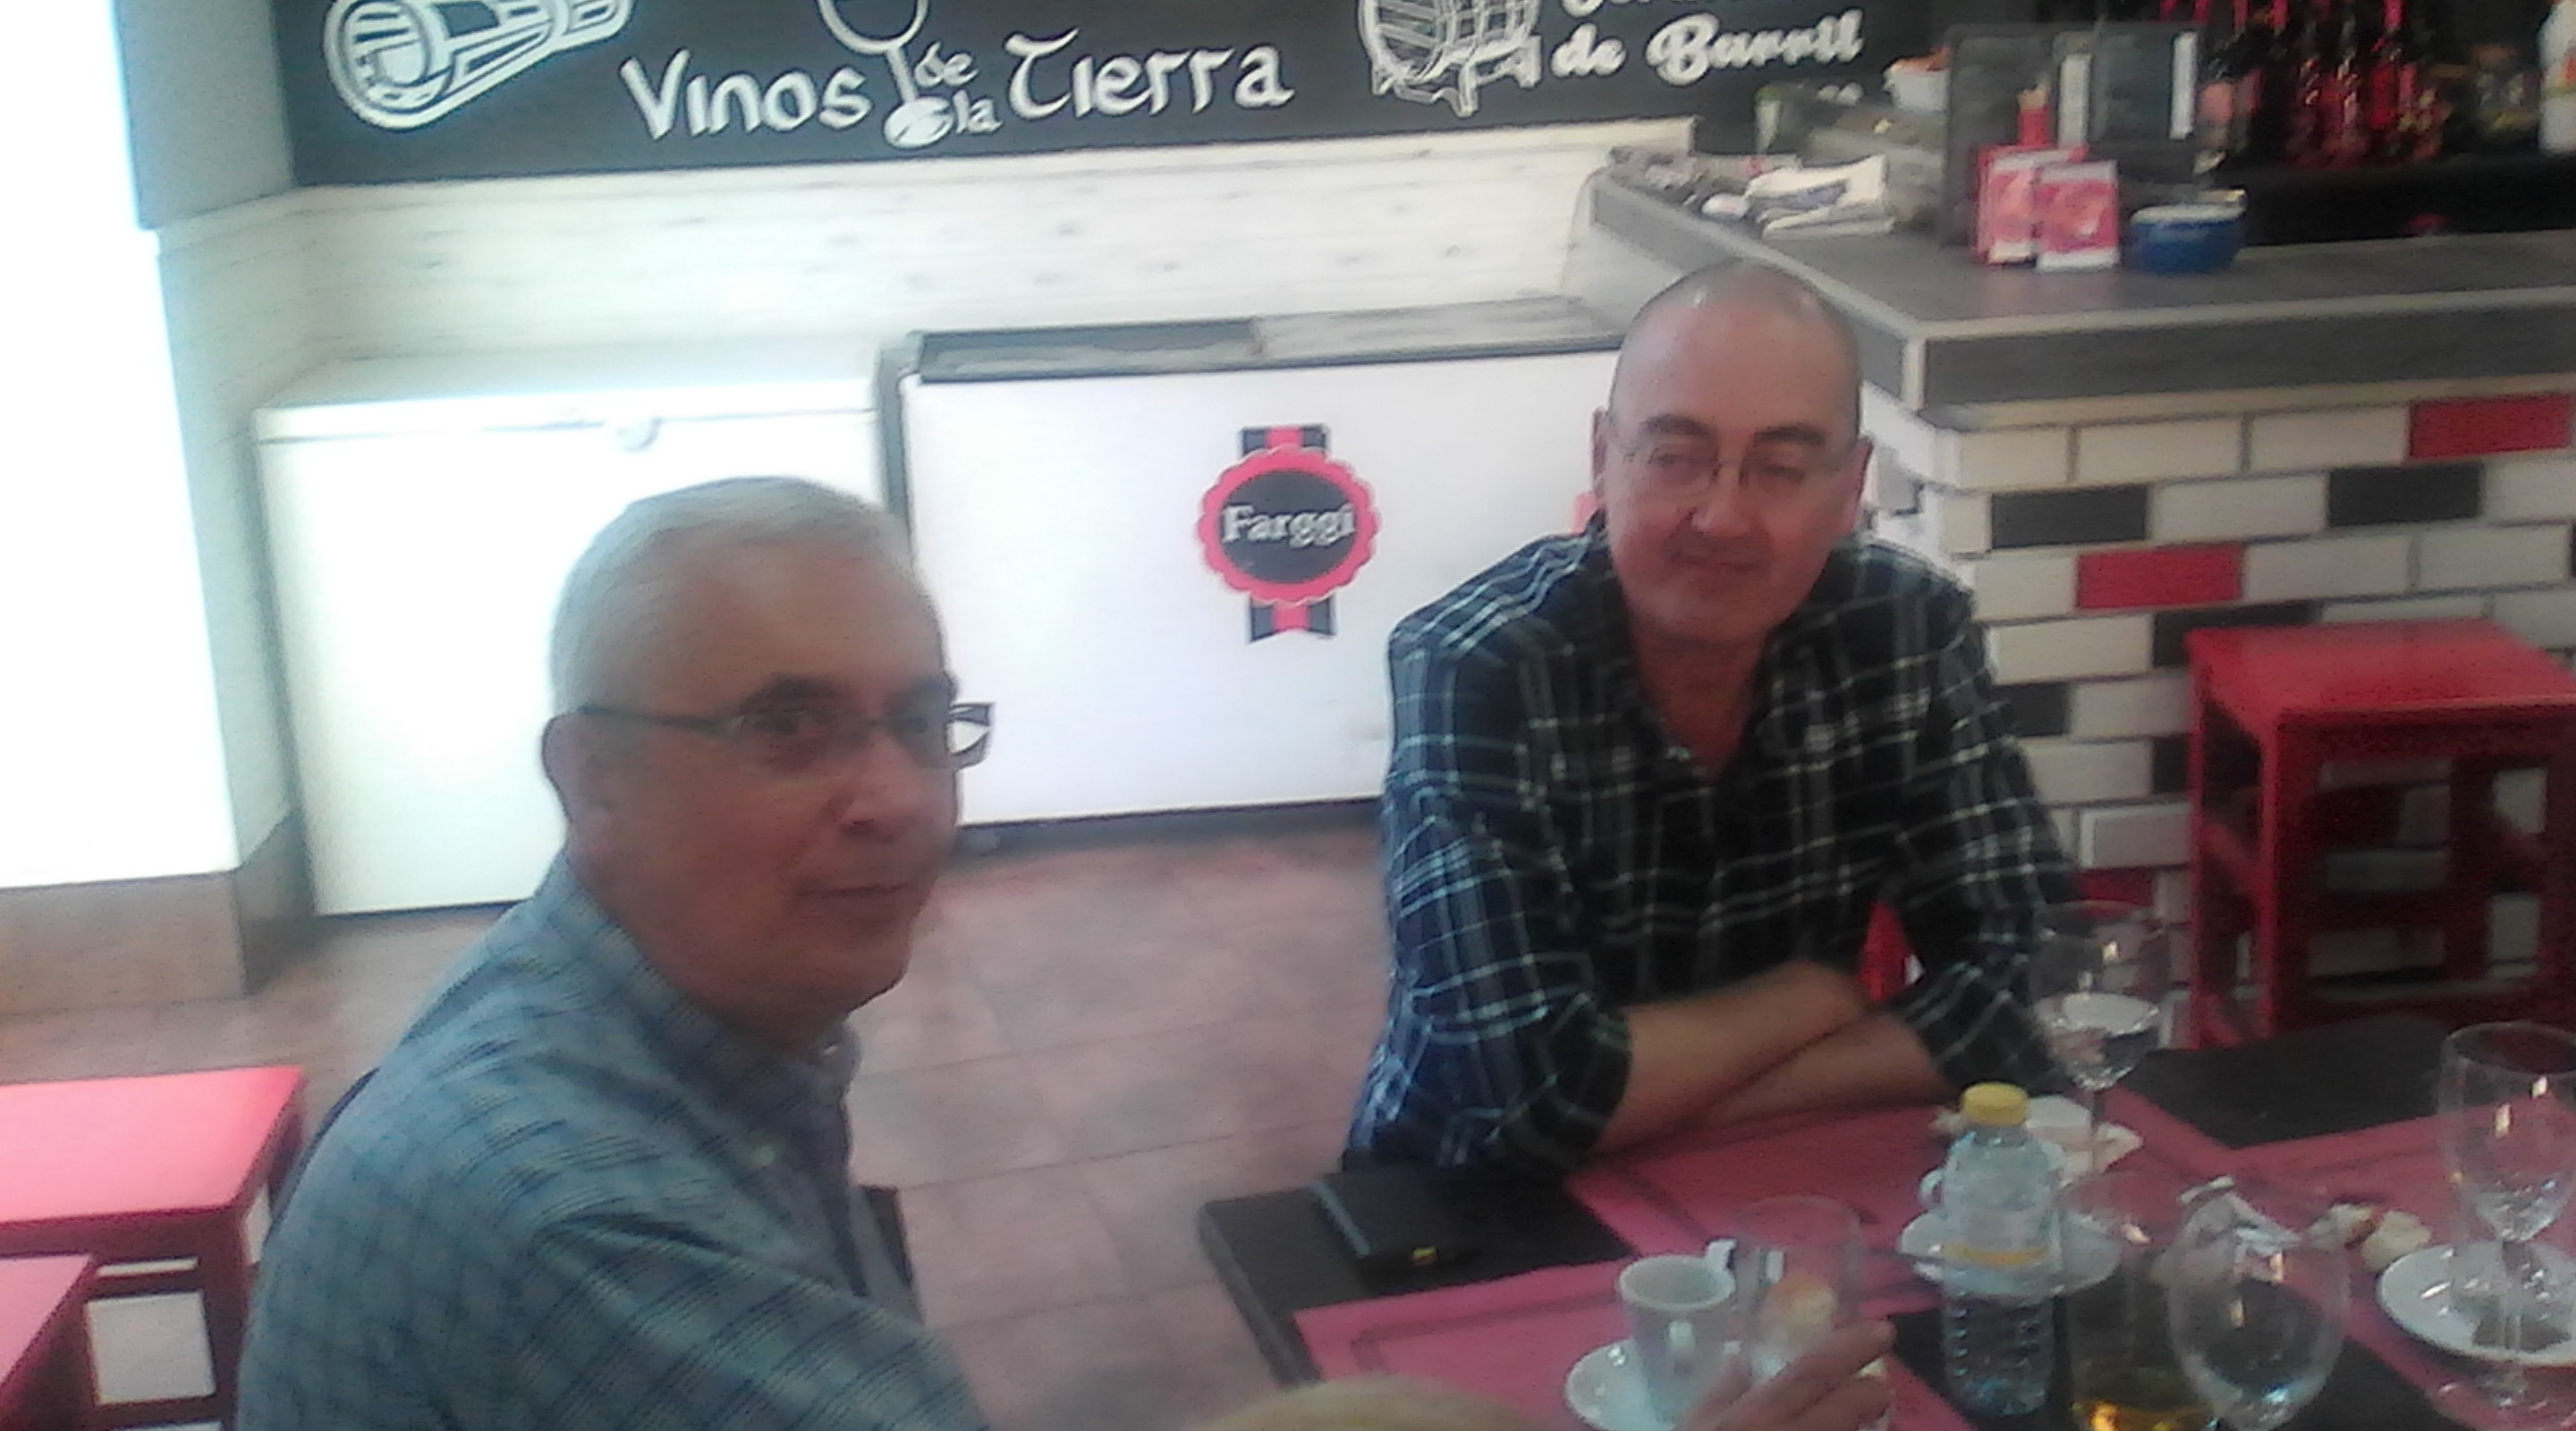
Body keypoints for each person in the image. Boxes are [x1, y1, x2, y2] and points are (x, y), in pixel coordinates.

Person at [239, 475, 1894, 1431]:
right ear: (589, 778)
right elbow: (1540, 1078)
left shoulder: (653, 1041)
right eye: (785, 727)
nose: (895, 796)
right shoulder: (577, 1216)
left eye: (918, 722)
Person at [1348, 265, 2071, 1176]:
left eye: (1780, 469)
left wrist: (1673, 1105)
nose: (1723, 518)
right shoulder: (1482, 663)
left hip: (1772, 1180)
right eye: (1675, 458)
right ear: (1603, 459)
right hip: (1475, 1199)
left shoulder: (1906, 628)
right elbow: (1523, 1091)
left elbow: (2045, 982)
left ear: (1848, 489)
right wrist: (1813, 997)